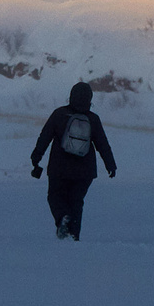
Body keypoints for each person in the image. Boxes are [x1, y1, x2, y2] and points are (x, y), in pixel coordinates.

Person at [29, 80, 116, 239]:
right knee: (76, 201)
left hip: (59, 168)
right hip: (85, 171)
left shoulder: (59, 114)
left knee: (55, 196)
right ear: (89, 99)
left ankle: (62, 218)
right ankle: (74, 236)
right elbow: (102, 144)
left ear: (71, 96)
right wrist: (111, 165)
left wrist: (36, 157)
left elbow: (45, 137)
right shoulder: (93, 119)